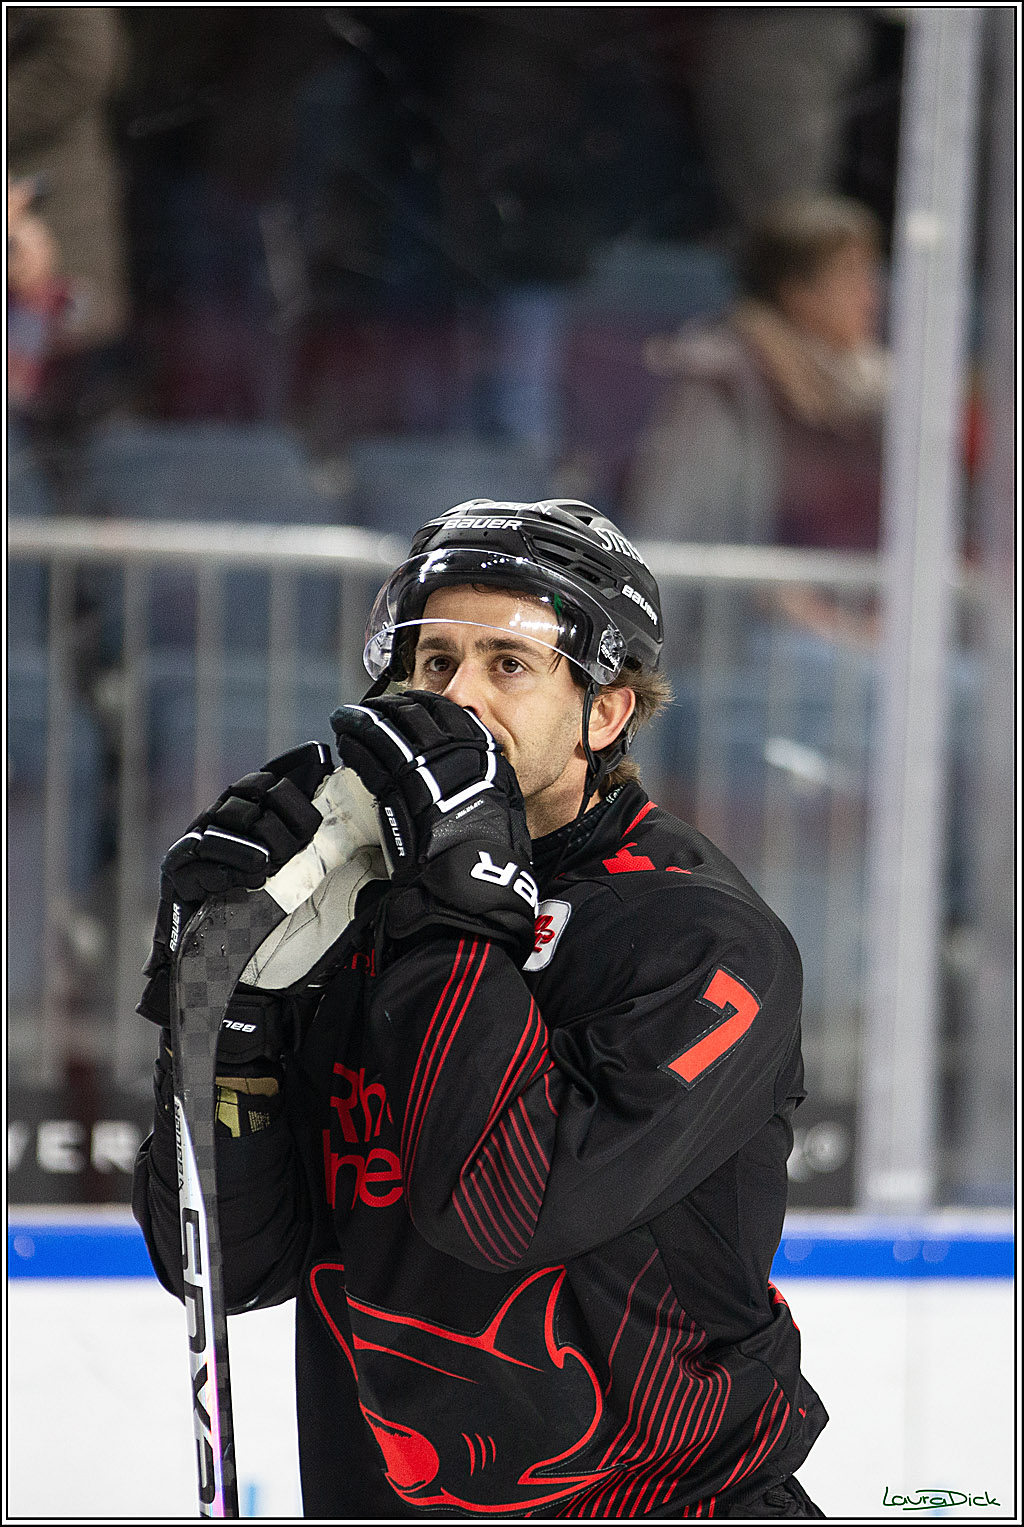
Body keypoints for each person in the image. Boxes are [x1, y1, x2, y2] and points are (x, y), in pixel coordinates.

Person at [132, 499, 828, 1518]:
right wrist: (221, 1010)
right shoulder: (353, 908)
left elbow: (505, 1209)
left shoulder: (701, 941)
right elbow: (229, 1264)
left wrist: (457, 892)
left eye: (508, 664)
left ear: (605, 711)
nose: (457, 701)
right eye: (433, 663)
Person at [623, 193, 889, 562]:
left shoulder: (874, 389)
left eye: (871, 273)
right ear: (797, 291)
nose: (871, 296)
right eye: (850, 274)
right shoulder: (725, 381)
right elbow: (696, 530)